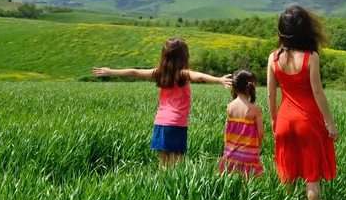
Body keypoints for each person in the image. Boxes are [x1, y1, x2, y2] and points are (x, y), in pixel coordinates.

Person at [92, 37, 232, 169]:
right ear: (184, 56)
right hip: (176, 123)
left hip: (160, 122)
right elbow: (200, 76)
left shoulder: (159, 72)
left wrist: (111, 71)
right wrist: (218, 80)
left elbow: (135, 72)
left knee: (162, 163)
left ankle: (160, 188)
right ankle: (172, 189)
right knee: (176, 165)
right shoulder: (183, 73)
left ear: (164, 55)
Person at [267, 5, 338, 200]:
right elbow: (317, 92)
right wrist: (330, 123)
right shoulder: (311, 57)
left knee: (286, 176)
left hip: (284, 121)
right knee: (311, 176)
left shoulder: (273, 57)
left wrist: (273, 119)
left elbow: (271, 92)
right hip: (308, 121)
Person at [219, 70, 264, 178]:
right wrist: (256, 147)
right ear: (251, 86)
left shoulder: (230, 107)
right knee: (249, 182)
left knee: (231, 180)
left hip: (231, 152)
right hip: (248, 153)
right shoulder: (254, 109)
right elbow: (261, 133)